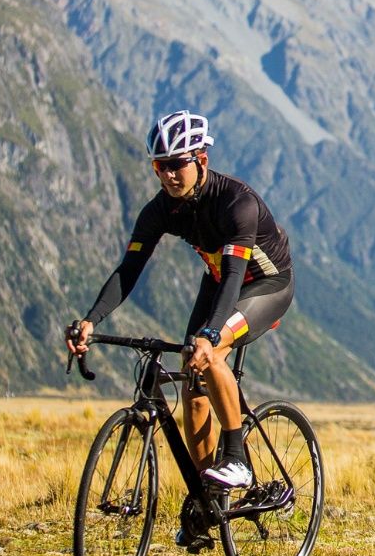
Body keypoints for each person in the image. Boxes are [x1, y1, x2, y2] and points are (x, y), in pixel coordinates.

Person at [65, 110, 294, 495]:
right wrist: (91, 320)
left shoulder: (238, 203)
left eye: (176, 165)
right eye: (159, 167)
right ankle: (207, 498)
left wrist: (209, 334)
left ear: (200, 160)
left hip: (266, 285)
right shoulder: (160, 210)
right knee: (191, 384)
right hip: (219, 281)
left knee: (212, 351)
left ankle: (236, 459)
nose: (167, 175)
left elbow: (236, 274)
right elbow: (129, 269)